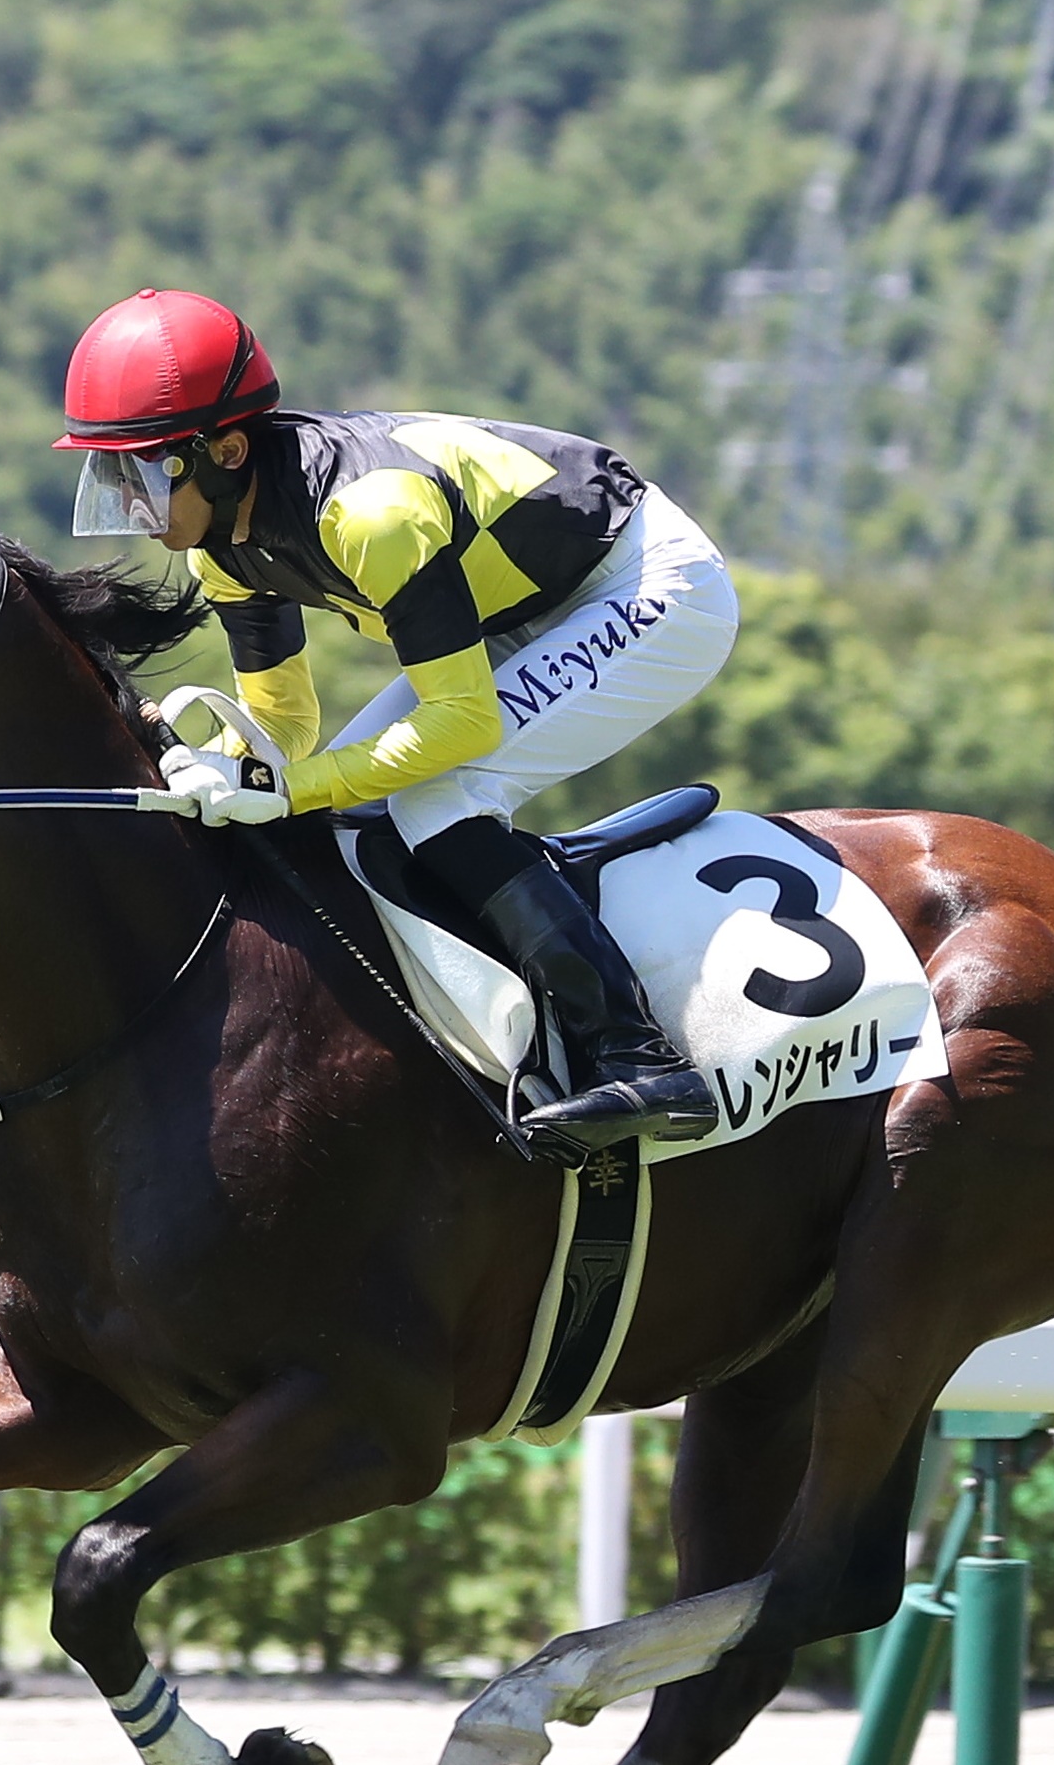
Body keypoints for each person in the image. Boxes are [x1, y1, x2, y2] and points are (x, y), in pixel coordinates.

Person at [55, 287, 728, 1154]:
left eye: (140, 474)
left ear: (224, 450)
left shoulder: (369, 513)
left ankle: (636, 1056)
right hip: (519, 603)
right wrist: (220, 768)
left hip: (646, 586)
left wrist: (287, 788)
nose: (129, 505)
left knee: (436, 800)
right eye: (109, 475)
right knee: (349, 812)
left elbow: (460, 729)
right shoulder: (221, 544)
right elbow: (283, 720)